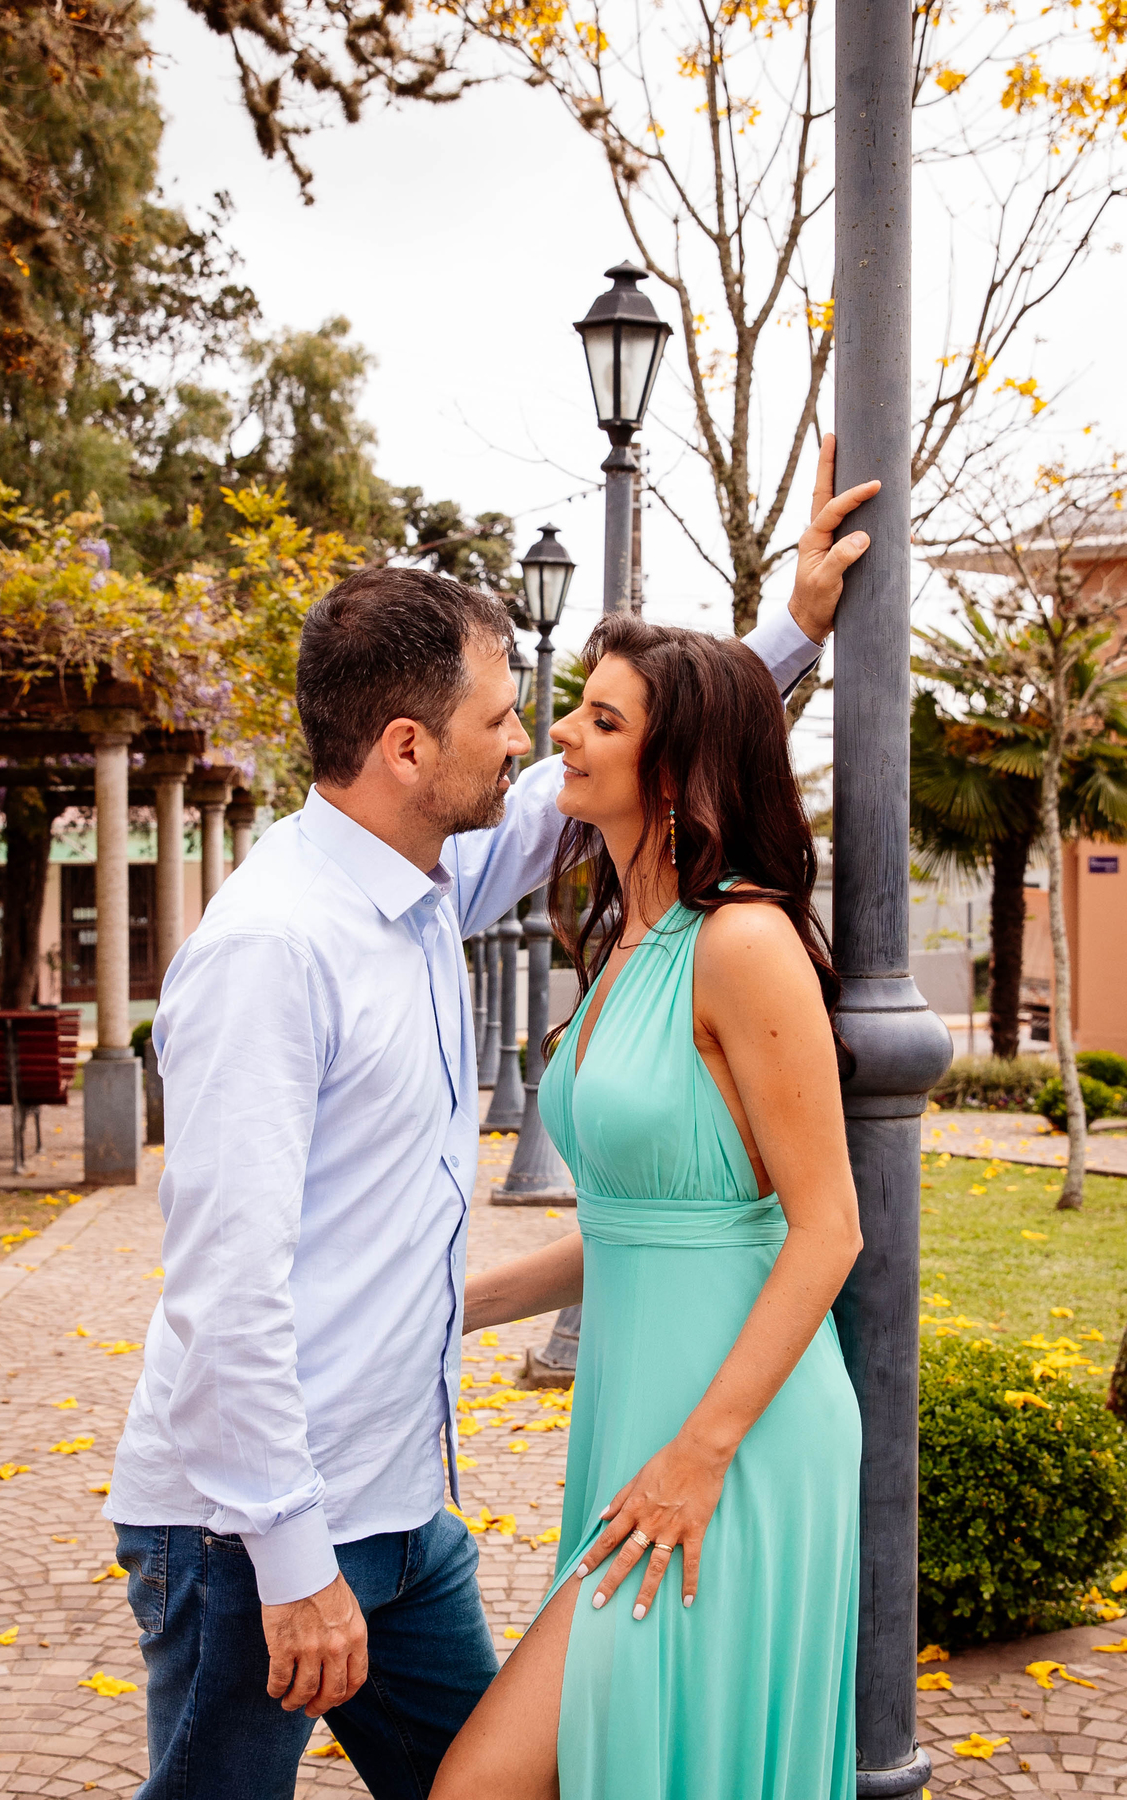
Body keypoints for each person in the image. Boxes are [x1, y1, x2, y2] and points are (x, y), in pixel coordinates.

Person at [106, 435, 877, 1800]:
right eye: (506, 717)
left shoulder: (417, 892)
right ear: (410, 749)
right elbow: (224, 1293)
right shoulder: (279, 946)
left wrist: (789, 632)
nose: (532, 744)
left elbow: (645, 759)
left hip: (401, 1514)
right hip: (254, 1538)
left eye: (559, 715)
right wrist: (295, 1570)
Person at [433, 611, 864, 1800]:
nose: (560, 731)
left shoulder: (744, 944)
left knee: (484, 1784)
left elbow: (828, 1228)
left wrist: (701, 1454)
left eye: (600, 719)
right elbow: (639, 1226)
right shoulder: (626, 941)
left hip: (738, 1441)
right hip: (638, 1425)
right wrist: (443, 1313)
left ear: (673, 772)